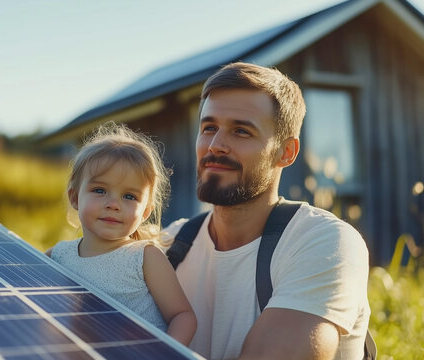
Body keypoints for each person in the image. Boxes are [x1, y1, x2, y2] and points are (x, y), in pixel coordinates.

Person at [163, 63, 370, 359]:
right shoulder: (170, 245)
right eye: (209, 128)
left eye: (241, 131)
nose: (216, 145)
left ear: (286, 152)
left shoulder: (323, 242)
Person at [45, 123, 196, 346]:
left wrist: (166, 353)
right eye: (100, 190)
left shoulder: (145, 258)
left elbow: (182, 317)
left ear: (145, 212)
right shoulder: (57, 255)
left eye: (129, 196)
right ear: (75, 197)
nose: (113, 204)